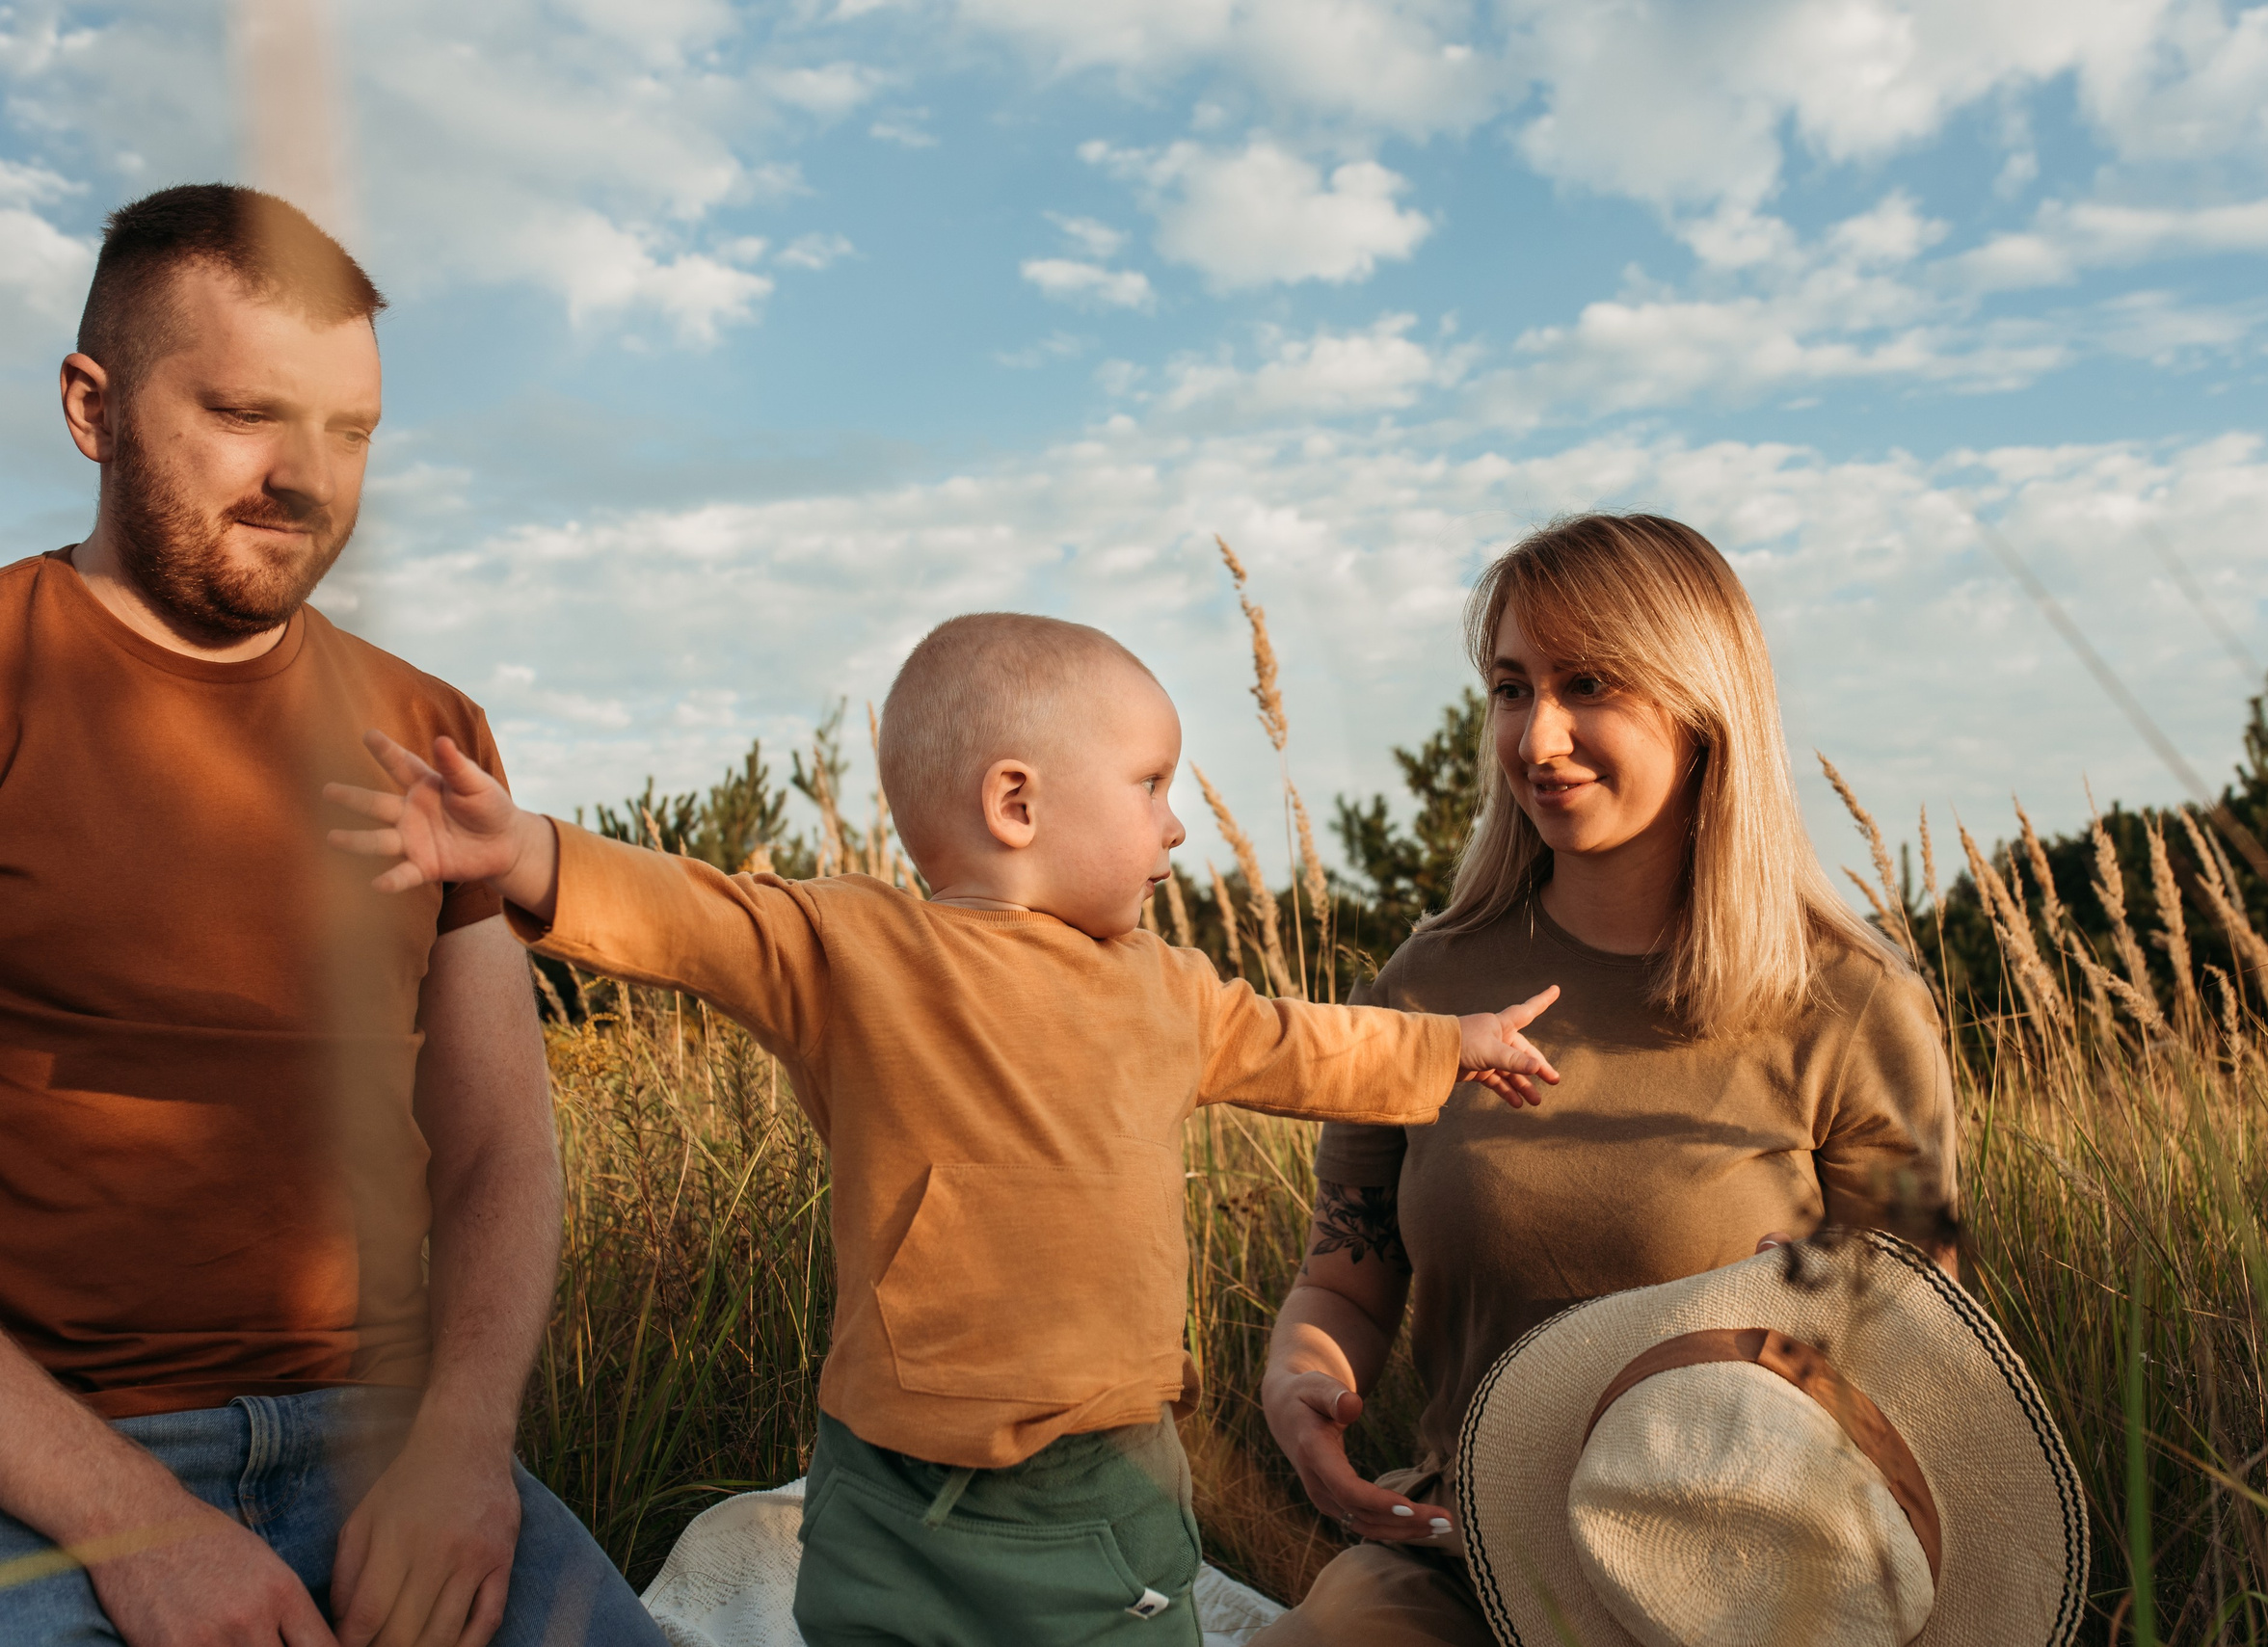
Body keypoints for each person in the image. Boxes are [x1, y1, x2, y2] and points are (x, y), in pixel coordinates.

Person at [323, 611, 1565, 1647]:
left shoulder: (1165, 988)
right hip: (884, 1478)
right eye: (1149, 787)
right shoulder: (859, 949)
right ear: (1016, 801)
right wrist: (525, 847)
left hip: (1102, 1475)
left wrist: (1451, 1045)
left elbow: (1304, 1041)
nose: (1176, 826)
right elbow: (690, 916)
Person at [0, 184, 665, 1647]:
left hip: (390, 1456)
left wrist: (465, 1448)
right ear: (90, 407)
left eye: (350, 430)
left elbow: (496, 1145)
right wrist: (138, 1530)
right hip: (47, 1475)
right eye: (246, 412)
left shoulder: (430, 731)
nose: (308, 477)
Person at [1252, 514, 1962, 1647]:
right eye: (1508, 686)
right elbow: (1343, 1280)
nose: (1537, 737)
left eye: (1589, 683)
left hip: (1734, 1580)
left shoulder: (1852, 1005)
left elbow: (1916, 1350)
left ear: (1700, 706)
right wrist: (1301, 1383)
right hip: (1462, 1554)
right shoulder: (1425, 985)